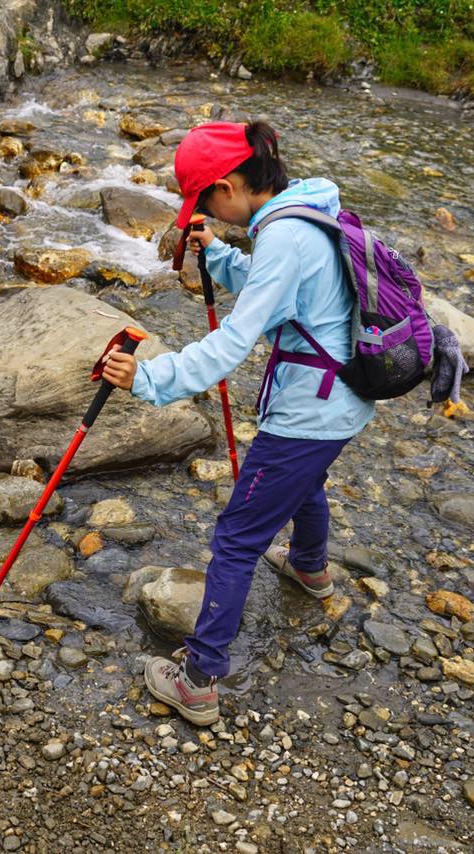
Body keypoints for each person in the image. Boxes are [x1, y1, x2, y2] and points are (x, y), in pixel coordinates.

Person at [100, 120, 376, 726]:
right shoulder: (310, 208)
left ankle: (198, 676)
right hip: (343, 401)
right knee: (306, 482)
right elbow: (279, 294)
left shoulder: (282, 238)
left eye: (203, 202)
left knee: (237, 538)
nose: (205, 213)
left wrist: (146, 377)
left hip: (309, 410)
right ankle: (309, 567)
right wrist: (219, 255)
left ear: (228, 186)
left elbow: (232, 343)